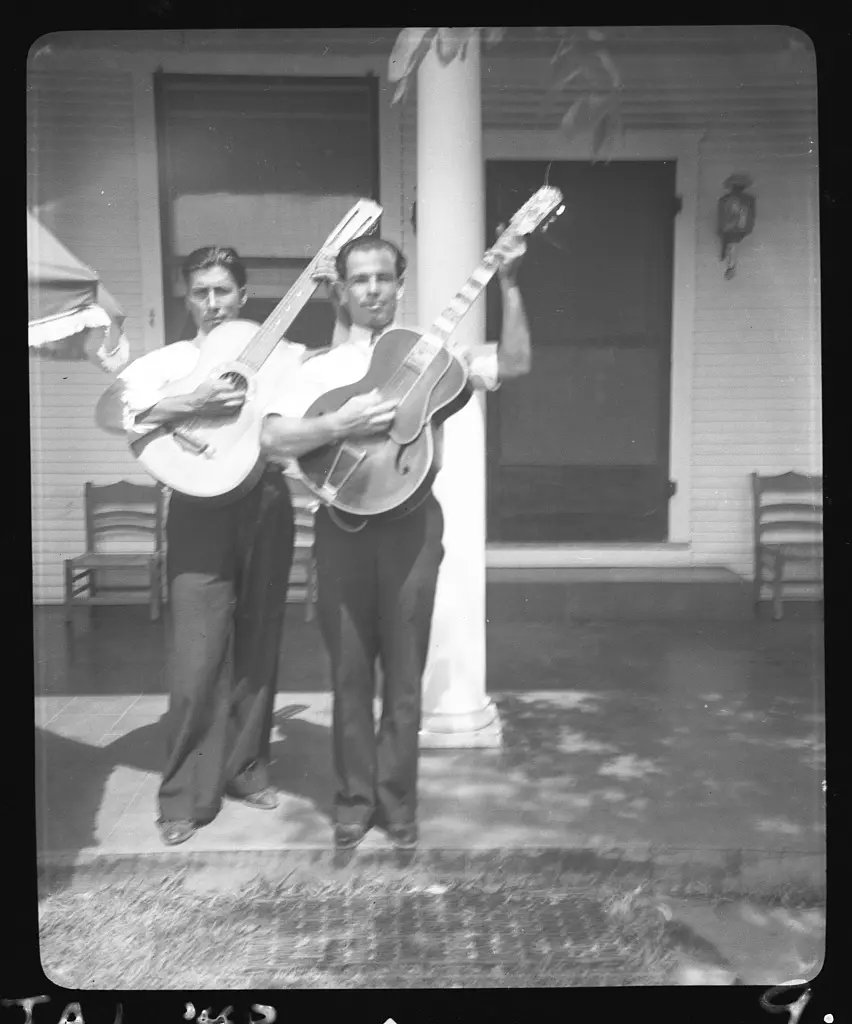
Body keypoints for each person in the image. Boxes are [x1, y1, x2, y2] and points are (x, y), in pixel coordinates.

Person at [259, 231, 531, 850]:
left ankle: (398, 804)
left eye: (383, 278)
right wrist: (338, 422)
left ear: (400, 286)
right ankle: (354, 803)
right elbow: (272, 438)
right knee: (350, 673)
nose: (373, 290)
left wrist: (511, 284)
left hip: (411, 529)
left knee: (405, 675)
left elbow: (514, 363)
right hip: (342, 531)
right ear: (342, 291)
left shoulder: (435, 358)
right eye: (360, 279)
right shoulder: (319, 370)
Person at [117, 246, 304, 846]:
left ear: (243, 296)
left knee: (259, 639)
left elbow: (308, 401)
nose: (213, 303)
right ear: (187, 297)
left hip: (266, 500)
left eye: (223, 291)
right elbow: (123, 413)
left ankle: (246, 768)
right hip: (198, 508)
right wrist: (190, 403)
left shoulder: (278, 354)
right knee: (196, 657)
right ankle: (184, 796)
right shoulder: (172, 360)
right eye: (201, 292)